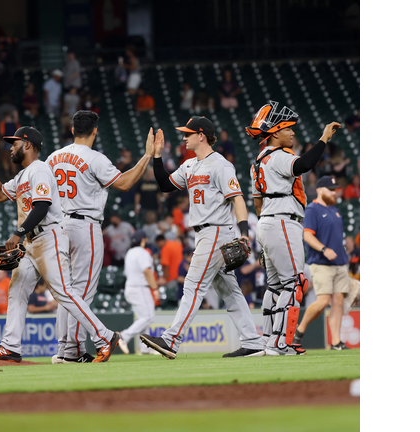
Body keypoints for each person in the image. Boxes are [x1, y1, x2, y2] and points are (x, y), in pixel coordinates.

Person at [0, 125, 121, 363]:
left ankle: (105, 337)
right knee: (17, 289)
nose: (11, 148)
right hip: (31, 242)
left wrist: (17, 233)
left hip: (48, 237)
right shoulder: (23, 175)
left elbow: (42, 206)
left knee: (64, 292)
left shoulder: (41, 170)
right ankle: (10, 346)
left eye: (14, 143)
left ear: (28, 145)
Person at [142, 116, 265, 358]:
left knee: (193, 285)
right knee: (229, 291)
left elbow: (237, 198)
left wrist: (243, 233)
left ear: (202, 135)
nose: (184, 137)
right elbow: (166, 185)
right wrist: (157, 157)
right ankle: (253, 341)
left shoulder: (220, 164)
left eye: (188, 133)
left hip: (217, 230)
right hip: (203, 233)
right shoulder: (189, 165)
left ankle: (171, 340)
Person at [46, 110, 160, 363]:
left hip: (58, 226)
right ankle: (74, 351)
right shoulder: (95, 158)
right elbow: (125, 183)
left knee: (66, 292)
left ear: (73, 130)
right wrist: (146, 157)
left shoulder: (53, 158)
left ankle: (65, 349)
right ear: (95, 131)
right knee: (80, 292)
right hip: (85, 226)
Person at [244, 100, 341, 355]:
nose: (293, 132)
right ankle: (280, 343)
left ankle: (269, 340)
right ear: (275, 132)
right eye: (288, 128)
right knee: (294, 283)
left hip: (267, 220)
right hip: (283, 221)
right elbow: (303, 165)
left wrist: (265, 236)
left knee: (275, 286)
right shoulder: (278, 155)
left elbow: (256, 201)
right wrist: (323, 139)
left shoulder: (258, 161)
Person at [292, 176, 351, 350]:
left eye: (334, 189)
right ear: (320, 190)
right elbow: (307, 235)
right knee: (323, 301)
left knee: (338, 301)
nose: (334, 192)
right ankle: (299, 332)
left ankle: (336, 342)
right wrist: (324, 249)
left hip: (340, 262)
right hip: (321, 262)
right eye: (330, 189)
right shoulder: (312, 210)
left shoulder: (335, 210)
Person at [118, 231, 160, 353]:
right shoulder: (142, 253)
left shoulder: (130, 252)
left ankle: (145, 348)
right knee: (148, 317)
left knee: (143, 318)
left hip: (130, 287)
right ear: (143, 240)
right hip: (140, 287)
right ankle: (124, 336)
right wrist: (155, 289)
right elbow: (147, 271)